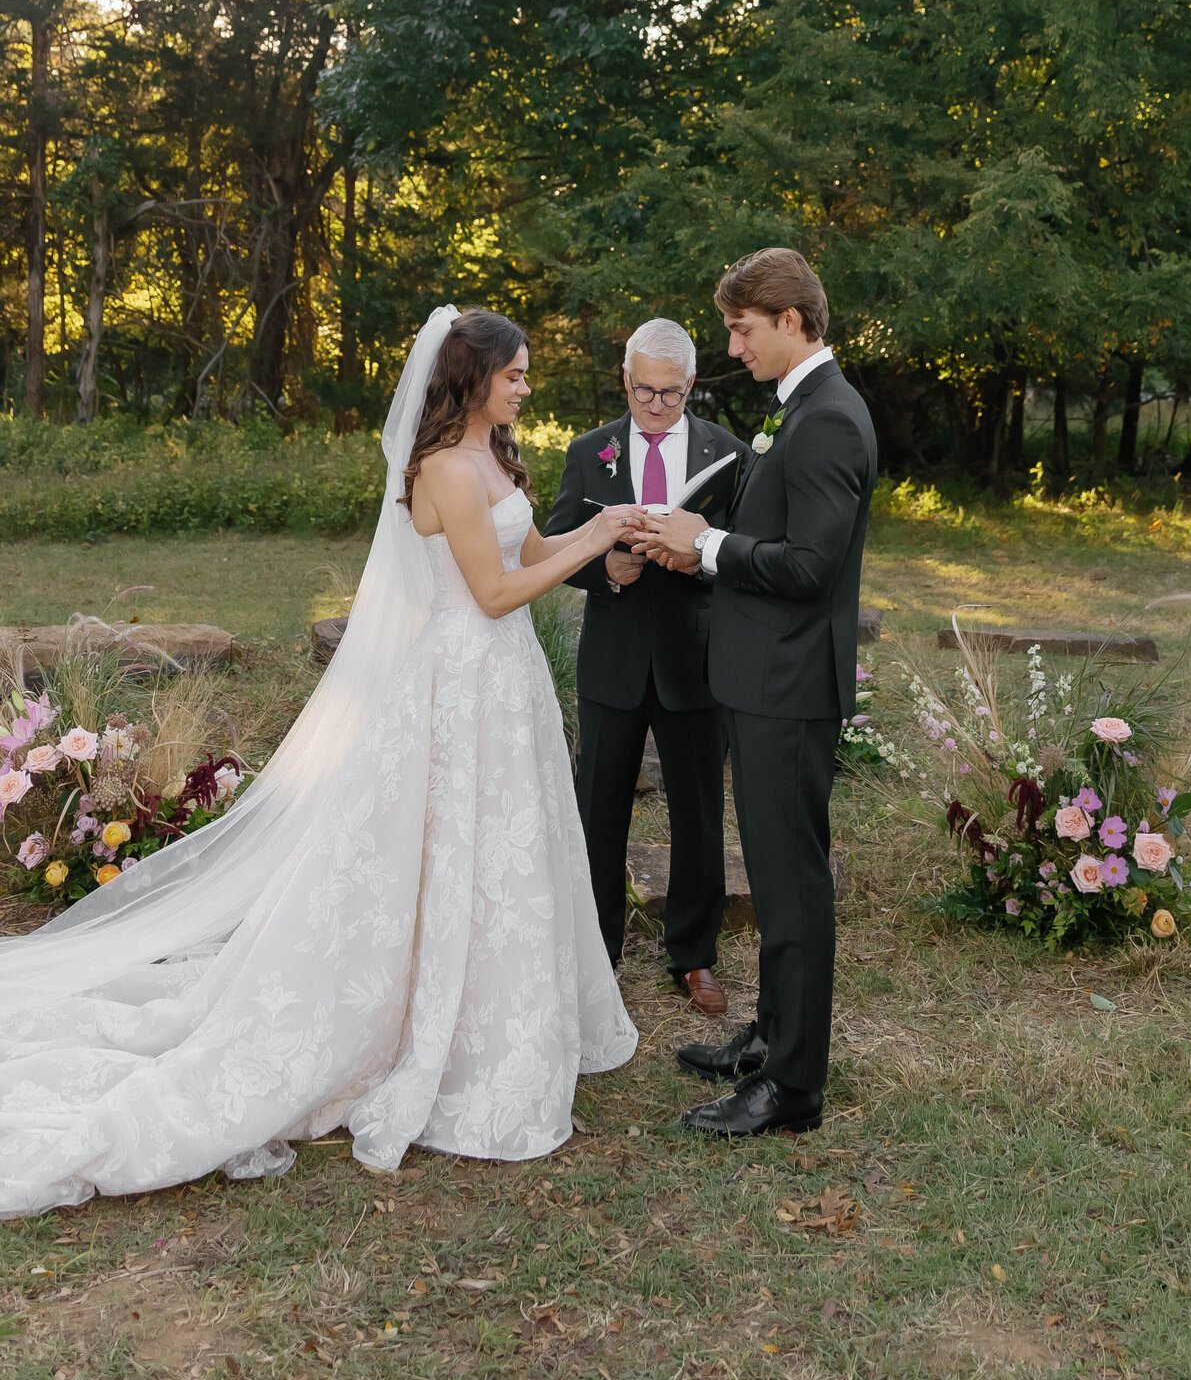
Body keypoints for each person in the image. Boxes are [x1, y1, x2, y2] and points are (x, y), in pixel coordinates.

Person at [0, 307, 640, 1219]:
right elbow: (495, 595)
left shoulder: (495, 456)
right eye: (516, 374)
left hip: (507, 687)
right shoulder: (445, 470)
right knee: (448, 844)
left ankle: (492, 1019)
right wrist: (596, 530)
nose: (526, 386)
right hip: (463, 676)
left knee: (501, 849)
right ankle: (423, 1032)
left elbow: (529, 552)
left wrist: (599, 548)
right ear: (472, 378)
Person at [634, 250, 877, 1137]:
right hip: (760, 679)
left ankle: (792, 1087)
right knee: (775, 882)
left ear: (791, 320)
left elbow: (810, 568)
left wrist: (707, 547)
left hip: (787, 689)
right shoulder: (802, 411)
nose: (732, 347)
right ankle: (772, 1034)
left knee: (792, 883)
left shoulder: (829, 422)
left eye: (741, 330)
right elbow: (775, 537)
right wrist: (696, 543)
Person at [544, 321, 748, 1013]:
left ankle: (693, 957)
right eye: (642, 392)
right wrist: (606, 567)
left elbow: (748, 551)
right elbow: (553, 548)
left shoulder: (729, 453)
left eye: (670, 393)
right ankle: (595, 953)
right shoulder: (589, 452)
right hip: (615, 655)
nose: (656, 407)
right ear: (624, 380)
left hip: (696, 656)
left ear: (691, 385)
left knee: (698, 814)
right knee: (598, 809)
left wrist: (701, 555)